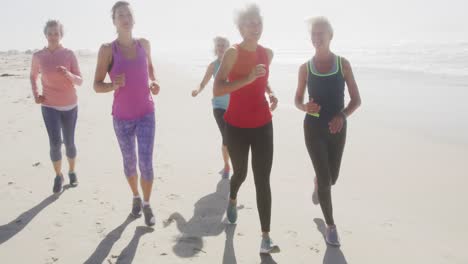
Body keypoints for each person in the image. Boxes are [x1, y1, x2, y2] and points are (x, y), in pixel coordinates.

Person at [214, 4, 280, 254]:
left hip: (263, 123)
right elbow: (218, 89)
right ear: (240, 28)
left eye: (258, 22)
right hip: (236, 125)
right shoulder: (232, 52)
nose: (255, 27)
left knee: (263, 179)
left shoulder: (267, 53)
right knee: (240, 173)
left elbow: (263, 79)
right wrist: (248, 79)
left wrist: (271, 93)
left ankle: (265, 238)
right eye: (250, 23)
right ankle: (232, 197)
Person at [294, 16, 362, 246]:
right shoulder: (305, 68)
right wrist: (304, 106)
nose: (317, 37)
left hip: (337, 128)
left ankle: (318, 183)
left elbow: (356, 100)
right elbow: (296, 99)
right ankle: (330, 227)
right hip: (312, 128)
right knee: (325, 179)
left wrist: (341, 116)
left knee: (331, 178)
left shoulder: (343, 64)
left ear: (330, 36)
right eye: (313, 34)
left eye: (321, 33)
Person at [93, 1, 160, 226]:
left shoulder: (144, 44)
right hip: (121, 118)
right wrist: (113, 86)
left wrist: (154, 81)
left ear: (133, 19)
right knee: (129, 163)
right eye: (120, 15)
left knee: (146, 163)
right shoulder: (106, 50)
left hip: (146, 113)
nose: (125, 17)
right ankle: (135, 197)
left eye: (128, 14)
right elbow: (96, 85)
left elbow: (150, 69)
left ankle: (148, 205)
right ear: (114, 21)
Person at [30, 20, 83, 194]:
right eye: (50, 33)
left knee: (69, 143)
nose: (53, 36)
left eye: (56, 33)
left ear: (61, 35)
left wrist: (68, 74)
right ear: (45, 35)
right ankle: (58, 175)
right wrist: (36, 93)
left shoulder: (69, 54)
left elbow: (80, 81)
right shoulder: (38, 56)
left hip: (70, 105)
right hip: (49, 105)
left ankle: (72, 171)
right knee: (54, 143)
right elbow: (33, 76)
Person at [192, 36, 231, 178]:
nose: (221, 47)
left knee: (233, 137)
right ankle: (227, 165)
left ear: (229, 48)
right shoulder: (213, 66)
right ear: (216, 48)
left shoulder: (234, 64)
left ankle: (231, 163)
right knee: (226, 136)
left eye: (224, 45)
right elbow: (202, 83)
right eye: (219, 45)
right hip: (219, 106)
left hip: (234, 107)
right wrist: (197, 90)